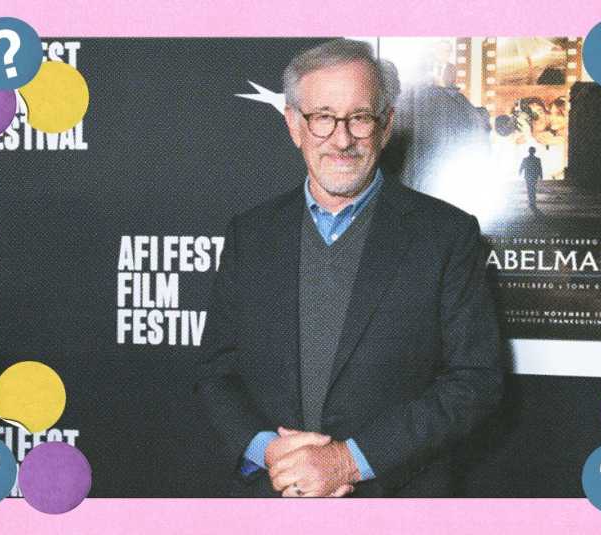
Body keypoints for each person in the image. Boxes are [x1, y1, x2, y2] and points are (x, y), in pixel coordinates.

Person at [195, 39, 503, 498]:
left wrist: (349, 462)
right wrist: (268, 452)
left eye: (359, 117)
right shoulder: (250, 235)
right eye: (322, 117)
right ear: (294, 125)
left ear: (385, 126)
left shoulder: (447, 235)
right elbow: (217, 373)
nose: (342, 140)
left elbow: (474, 381)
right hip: (271, 496)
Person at [519, 146, 543, 214]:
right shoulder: (537, 159)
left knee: (529, 188)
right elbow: (539, 168)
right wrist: (541, 175)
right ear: (534, 152)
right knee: (533, 188)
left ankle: (531, 201)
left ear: (529, 151)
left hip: (528, 176)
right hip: (534, 176)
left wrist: (520, 172)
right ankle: (532, 200)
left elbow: (521, 166)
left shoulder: (525, 159)